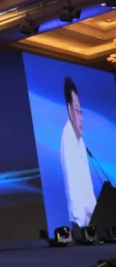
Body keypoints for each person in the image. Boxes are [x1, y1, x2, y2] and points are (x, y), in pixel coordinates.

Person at [60, 76, 97, 229]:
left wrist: (95, 215)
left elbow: (87, 187)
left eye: (81, 112)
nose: (81, 118)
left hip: (90, 221)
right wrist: (84, 222)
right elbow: (73, 189)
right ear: (69, 110)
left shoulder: (79, 140)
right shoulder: (68, 138)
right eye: (77, 111)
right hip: (80, 224)